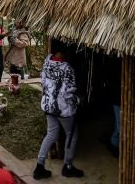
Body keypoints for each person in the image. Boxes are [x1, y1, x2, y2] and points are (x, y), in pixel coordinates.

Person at [33, 49, 84, 179]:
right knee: (72, 134)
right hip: (63, 108)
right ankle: (68, 166)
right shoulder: (67, 68)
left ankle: (39, 166)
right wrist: (77, 100)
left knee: (51, 134)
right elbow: (68, 92)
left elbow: (43, 83)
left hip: (48, 106)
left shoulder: (47, 64)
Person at [5, 19, 31, 84]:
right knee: (13, 74)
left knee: (18, 75)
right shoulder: (17, 31)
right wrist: (10, 38)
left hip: (18, 58)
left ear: (21, 23)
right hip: (15, 57)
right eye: (16, 21)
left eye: (17, 22)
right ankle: (14, 87)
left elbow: (24, 44)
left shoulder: (23, 33)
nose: (15, 23)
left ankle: (18, 87)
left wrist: (14, 40)